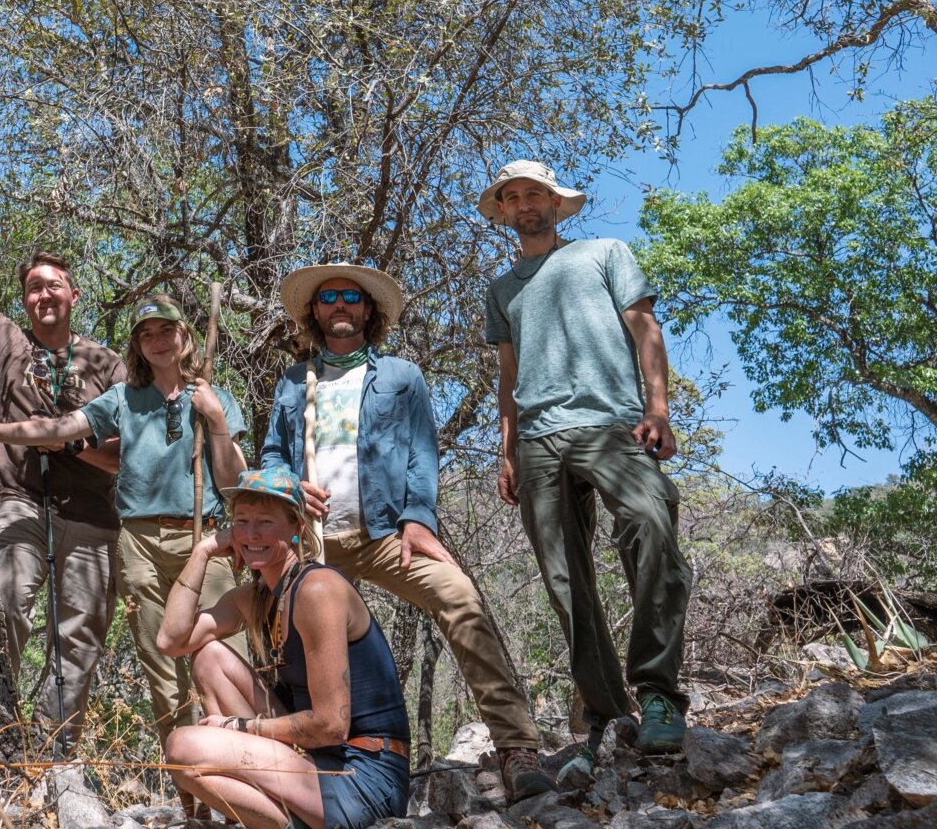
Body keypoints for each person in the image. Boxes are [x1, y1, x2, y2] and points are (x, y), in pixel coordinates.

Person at [263, 263, 554, 800]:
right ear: (315, 312)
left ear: (368, 310)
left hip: (383, 538)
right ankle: (274, 766)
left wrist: (418, 519)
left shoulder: (401, 376)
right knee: (266, 638)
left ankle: (517, 747)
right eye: (329, 298)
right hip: (310, 545)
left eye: (351, 296)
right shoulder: (291, 381)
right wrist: (284, 486)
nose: (340, 305)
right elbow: (274, 457)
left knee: (459, 598)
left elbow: (423, 453)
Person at [0, 296, 245, 802]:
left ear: (186, 335)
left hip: (203, 539)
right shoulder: (124, 397)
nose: (159, 340)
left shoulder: (215, 398)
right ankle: (191, 796)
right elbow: (61, 429)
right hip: (138, 540)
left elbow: (232, 484)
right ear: (139, 345)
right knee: (162, 668)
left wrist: (216, 420)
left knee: (223, 658)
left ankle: (240, 788)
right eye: (148, 334)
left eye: (168, 330)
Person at [481, 160, 690, 782]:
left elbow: (644, 327)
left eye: (534, 193)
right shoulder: (503, 288)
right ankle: (605, 712)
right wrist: (508, 446)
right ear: (504, 211)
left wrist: (658, 408)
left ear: (555, 202)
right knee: (565, 580)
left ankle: (657, 692)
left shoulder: (605, 252)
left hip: (611, 425)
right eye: (512, 197)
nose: (524, 204)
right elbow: (510, 375)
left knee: (652, 521)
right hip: (539, 442)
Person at [0, 149, 126, 746]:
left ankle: (55, 751)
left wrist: (64, 442)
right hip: (16, 500)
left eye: (53, 286)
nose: (42, 296)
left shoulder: (108, 364)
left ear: (73, 294)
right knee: (6, 603)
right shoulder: (3, 339)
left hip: (91, 515)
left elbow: (120, 457)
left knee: (81, 635)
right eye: (33, 288)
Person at [155, 465, 411, 829]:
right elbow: (171, 641)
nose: (251, 534)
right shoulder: (256, 596)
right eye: (241, 522)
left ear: (296, 529)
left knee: (183, 748)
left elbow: (330, 726)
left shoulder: (317, 590)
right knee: (208, 657)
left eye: (265, 522)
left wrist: (240, 728)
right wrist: (203, 551)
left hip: (362, 775)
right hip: (312, 762)